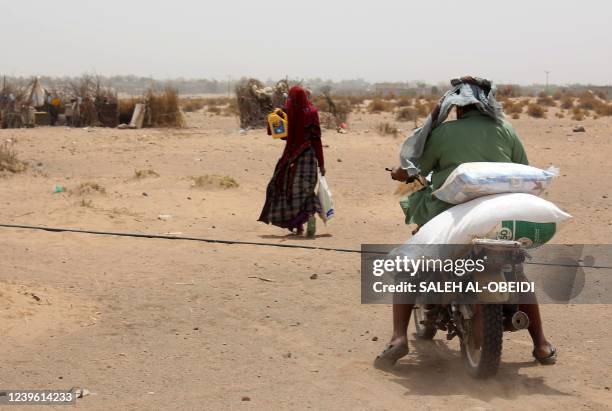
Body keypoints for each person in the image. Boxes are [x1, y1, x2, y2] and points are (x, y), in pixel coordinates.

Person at [374, 76, 556, 369]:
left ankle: (398, 338)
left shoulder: (444, 134)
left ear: (456, 106)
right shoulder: (507, 130)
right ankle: (542, 344)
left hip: (451, 215)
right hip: (500, 214)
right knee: (519, 274)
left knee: (408, 266)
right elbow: (521, 170)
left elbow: (415, 169)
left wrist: (401, 174)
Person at [258, 86, 325, 236]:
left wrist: (275, 117)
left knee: (289, 190)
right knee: (306, 191)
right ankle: (308, 218)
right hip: (308, 158)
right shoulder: (312, 113)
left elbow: (279, 134)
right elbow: (316, 140)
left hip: (292, 158)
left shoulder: (290, 113)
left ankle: (299, 225)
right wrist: (321, 163)